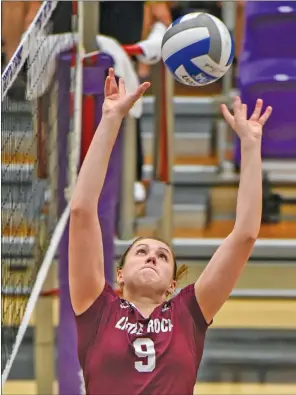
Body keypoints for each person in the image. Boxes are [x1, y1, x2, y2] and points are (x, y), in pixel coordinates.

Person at [69, 68, 272, 394]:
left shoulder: (188, 314)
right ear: (119, 275)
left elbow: (245, 235)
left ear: (172, 285)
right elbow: (80, 212)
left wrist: (250, 148)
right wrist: (109, 120)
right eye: (142, 252)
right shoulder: (97, 309)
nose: (152, 257)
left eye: (162, 256)